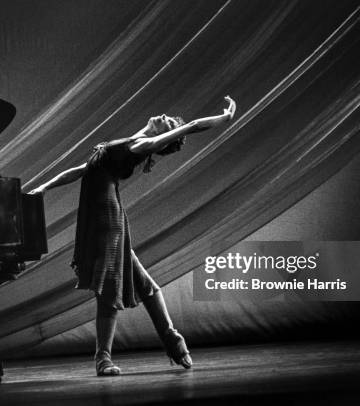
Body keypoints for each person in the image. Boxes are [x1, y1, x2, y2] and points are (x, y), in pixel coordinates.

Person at [30, 96, 236, 376]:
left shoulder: (141, 146)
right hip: (103, 218)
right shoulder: (128, 142)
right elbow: (82, 170)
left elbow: (193, 126)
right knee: (145, 284)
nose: (163, 115)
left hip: (107, 220)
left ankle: (103, 359)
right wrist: (44, 187)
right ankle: (175, 342)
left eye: (167, 122)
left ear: (162, 136)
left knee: (110, 286)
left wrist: (223, 119)